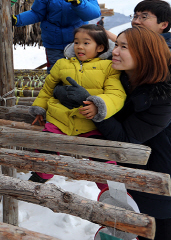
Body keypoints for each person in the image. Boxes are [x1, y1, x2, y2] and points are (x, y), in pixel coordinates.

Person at [106, 0, 171, 239]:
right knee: (149, 224)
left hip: (163, 168)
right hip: (142, 166)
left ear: (163, 25)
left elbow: (128, 135)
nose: (136, 20)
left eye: (144, 17)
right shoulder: (122, 79)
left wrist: (98, 110)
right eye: (135, 15)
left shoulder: (163, 89)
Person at [94, 26, 171, 240]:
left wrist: (97, 109)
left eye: (123, 47)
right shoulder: (118, 79)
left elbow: (126, 140)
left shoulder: (163, 95)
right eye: (116, 44)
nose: (115, 51)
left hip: (162, 182)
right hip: (131, 176)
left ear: (145, 53)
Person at [28, 24, 126, 183]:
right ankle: (42, 174)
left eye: (86, 43)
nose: (80, 46)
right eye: (76, 42)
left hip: (89, 124)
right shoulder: (61, 64)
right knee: (45, 145)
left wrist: (98, 105)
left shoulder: (109, 68)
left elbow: (116, 94)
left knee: (102, 155)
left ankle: (109, 188)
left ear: (100, 47)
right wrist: (40, 109)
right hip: (59, 120)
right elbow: (47, 89)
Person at [12, 0, 100, 71]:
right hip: (53, 43)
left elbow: (93, 13)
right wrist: (18, 20)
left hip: (77, 45)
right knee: (55, 73)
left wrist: (79, 2)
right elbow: (37, 13)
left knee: (78, 73)